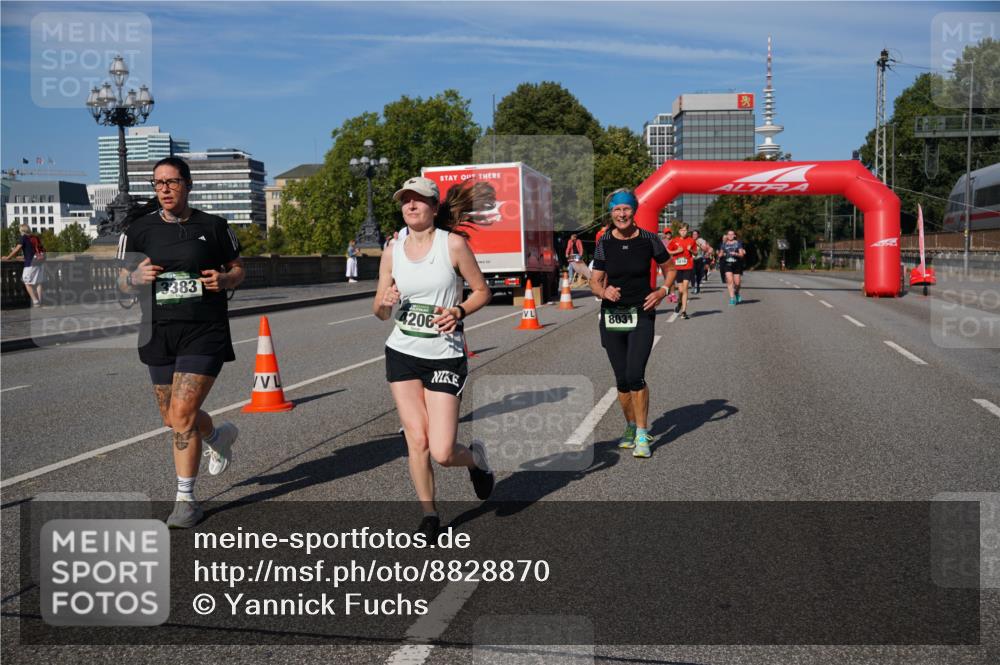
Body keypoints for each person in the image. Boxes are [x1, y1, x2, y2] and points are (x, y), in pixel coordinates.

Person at [116, 156, 243, 529]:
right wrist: (134, 277)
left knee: (183, 415)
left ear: (188, 184)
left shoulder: (215, 226)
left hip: (204, 330)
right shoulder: (138, 231)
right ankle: (217, 437)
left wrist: (226, 280)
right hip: (158, 332)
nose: (165, 189)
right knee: (173, 418)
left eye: (172, 182)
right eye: (158, 184)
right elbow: (118, 282)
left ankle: (185, 500)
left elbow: (239, 268)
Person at [374, 176, 495, 541]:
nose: (411, 206)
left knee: (442, 451)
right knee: (417, 440)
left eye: (419, 200)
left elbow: (482, 292)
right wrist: (385, 303)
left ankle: (475, 459)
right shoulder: (392, 250)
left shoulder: (453, 245)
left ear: (434, 207)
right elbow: (379, 311)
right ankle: (429, 513)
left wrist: (458, 312)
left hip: (444, 356)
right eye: (405, 201)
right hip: (402, 353)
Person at [590, 189, 674, 459]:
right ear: (611, 213)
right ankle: (629, 426)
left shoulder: (649, 239)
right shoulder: (604, 241)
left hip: (641, 312)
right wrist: (604, 292)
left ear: (634, 211)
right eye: (616, 210)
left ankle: (641, 432)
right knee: (622, 379)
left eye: (626, 209)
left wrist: (662, 292)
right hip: (613, 314)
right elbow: (594, 279)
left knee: (636, 374)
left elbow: (670, 269)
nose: (621, 214)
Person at [3, 224, 46, 307]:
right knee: (38, 283)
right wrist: (23, 256)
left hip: (30, 264)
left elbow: (17, 249)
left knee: (27, 282)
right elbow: (34, 251)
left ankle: (35, 301)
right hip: (40, 263)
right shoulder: (35, 238)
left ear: (22, 230)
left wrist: (8, 257)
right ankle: (40, 301)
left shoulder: (24, 238)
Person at [666, 223, 696, 319]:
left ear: (688, 231)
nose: (683, 232)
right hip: (677, 268)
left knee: (685, 288)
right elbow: (668, 251)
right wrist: (676, 251)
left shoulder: (691, 241)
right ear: (679, 231)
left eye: (685, 230)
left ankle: (684, 312)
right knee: (681, 290)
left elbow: (696, 252)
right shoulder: (675, 241)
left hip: (687, 267)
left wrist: (691, 250)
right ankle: (679, 302)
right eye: (682, 230)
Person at [717, 229, 747, 305]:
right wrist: (720, 254)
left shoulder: (738, 243)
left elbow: (742, 255)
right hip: (727, 264)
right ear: (727, 236)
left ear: (734, 235)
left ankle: (736, 293)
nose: (730, 236)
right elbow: (720, 254)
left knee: (737, 283)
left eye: (732, 234)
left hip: (737, 264)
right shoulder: (724, 244)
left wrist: (736, 254)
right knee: (730, 281)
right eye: (729, 234)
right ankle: (732, 298)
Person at [692, 229, 712, 294]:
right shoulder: (690, 240)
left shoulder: (702, 241)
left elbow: (705, 249)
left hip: (699, 259)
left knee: (698, 274)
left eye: (695, 234)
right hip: (691, 259)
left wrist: (699, 244)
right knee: (692, 274)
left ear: (698, 235)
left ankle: (697, 286)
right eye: (693, 234)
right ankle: (693, 286)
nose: (694, 235)